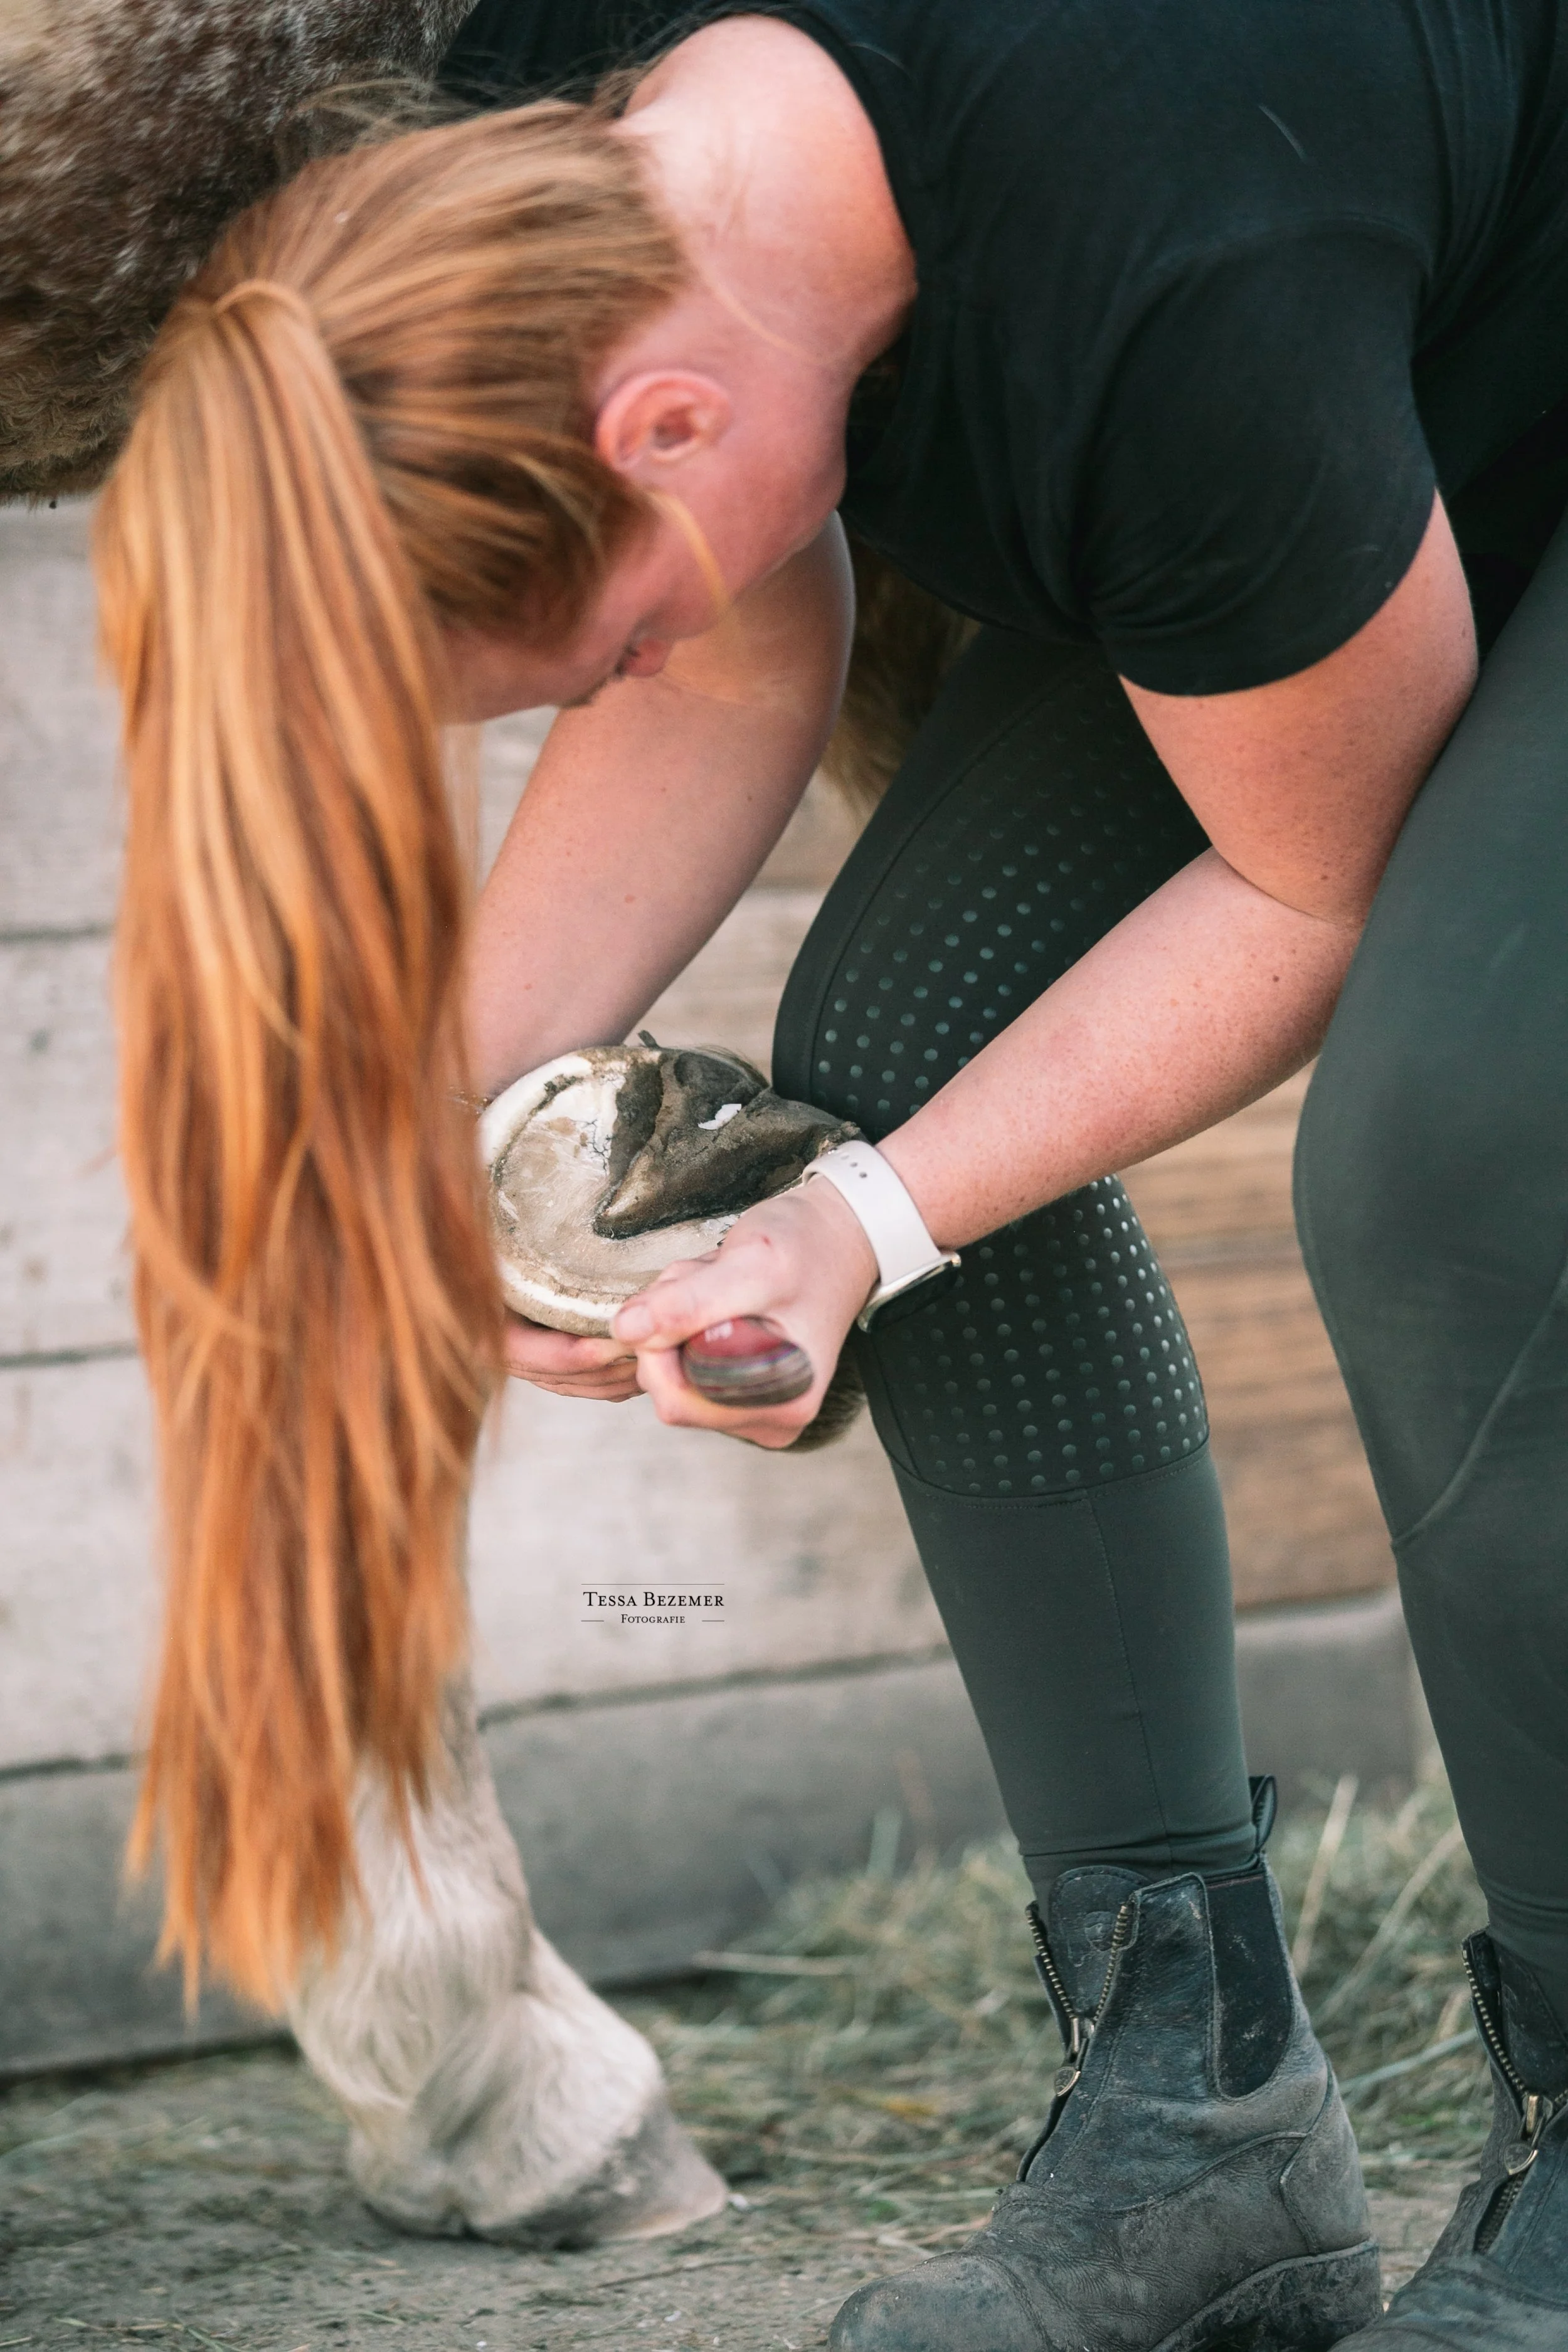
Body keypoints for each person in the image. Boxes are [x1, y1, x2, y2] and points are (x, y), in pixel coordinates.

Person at [93, 0, 1568, 2341]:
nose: (648, 644)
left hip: (1378, 349)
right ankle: (1197, 2125)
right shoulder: (559, 149)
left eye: (617, 611)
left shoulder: (1153, 285)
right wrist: (382, 1170)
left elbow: (1311, 887)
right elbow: (709, 663)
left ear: (665, 429)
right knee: (905, 1055)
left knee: (1442, 1158)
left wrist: (858, 1225)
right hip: (1357, 378)